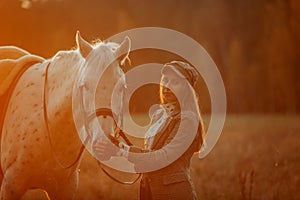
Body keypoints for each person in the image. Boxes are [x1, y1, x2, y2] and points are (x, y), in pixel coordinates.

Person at [93, 61, 205, 200]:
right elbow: (150, 153)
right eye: (165, 80)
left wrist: (119, 150)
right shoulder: (160, 114)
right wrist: (115, 145)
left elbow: (163, 157)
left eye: (175, 82)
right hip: (149, 192)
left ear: (187, 89)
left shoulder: (187, 120)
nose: (167, 86)